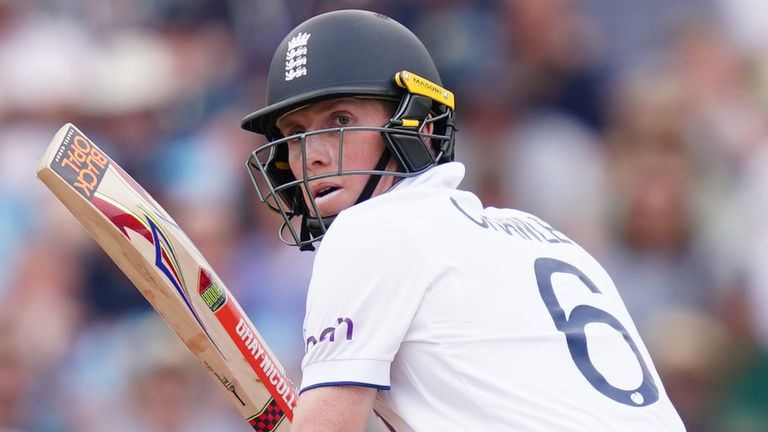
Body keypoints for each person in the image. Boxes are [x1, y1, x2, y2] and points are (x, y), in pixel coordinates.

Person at [240, 9, 686, 432]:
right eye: (295, 133)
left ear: (420, 126)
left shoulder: (371, 230)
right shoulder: (544, 236)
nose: (313, 154)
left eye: (340, 119)